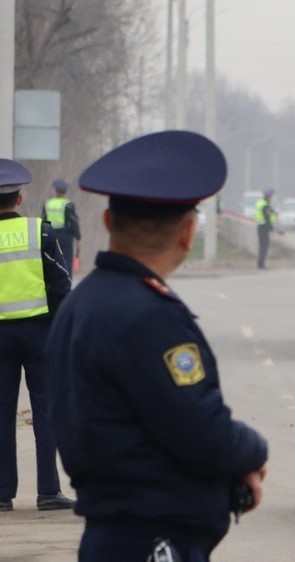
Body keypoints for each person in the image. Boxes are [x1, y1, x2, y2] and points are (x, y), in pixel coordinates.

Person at [44, 131, 269, 561]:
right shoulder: (151, 315)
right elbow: (201, 430)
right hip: (153, 541)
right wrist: (254, 451)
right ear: (188, 233)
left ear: (108, 222)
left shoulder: (80, 304)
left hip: (111, 534)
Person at [0, 159, 74, 513]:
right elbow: (60, 284)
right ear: (20, 199)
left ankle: (1, 495)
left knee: (1, 414)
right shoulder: (39, 231)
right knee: (45, 410)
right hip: (39, 333)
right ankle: (48, 491)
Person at [41, 179, 82, 278]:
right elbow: (73, 221)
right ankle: (66, 280)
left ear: (56, 190)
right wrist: (78, 237)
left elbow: (43, 219)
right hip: (65, 236)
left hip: (50, 234)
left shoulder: (48, 203)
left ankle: (52, 281)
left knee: (51, 258)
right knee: (66, 259)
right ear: (65, 191)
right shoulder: (68, 204)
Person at [255, 188, 277, 269]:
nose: (272, 197)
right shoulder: (265, 205)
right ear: (268, 196)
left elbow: (269, 212)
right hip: (264, 227)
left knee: (262, 245)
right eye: (271, 196)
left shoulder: (260, 203)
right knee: (264, 246)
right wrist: (271, 229)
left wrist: (274, 212)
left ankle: (260, 263)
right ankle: (261, 264)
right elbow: (267, 218)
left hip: (260, 226)